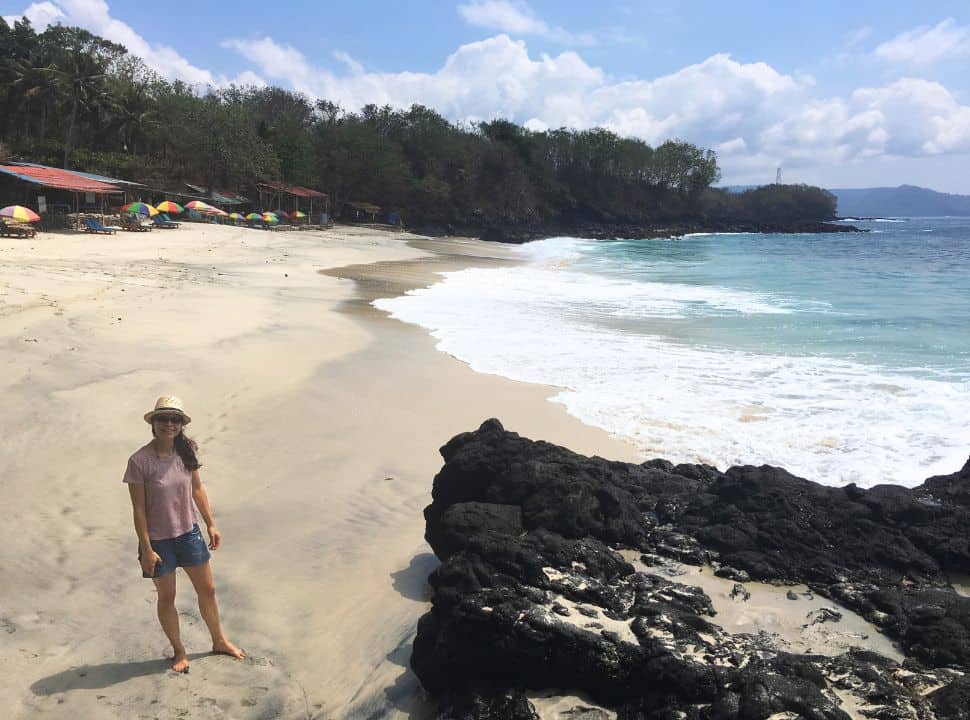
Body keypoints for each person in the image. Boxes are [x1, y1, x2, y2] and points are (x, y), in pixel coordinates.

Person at [124, 396, 245, 673]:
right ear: (153, 423)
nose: (169, 424)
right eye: (163, 419)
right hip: (158, 541)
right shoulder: (139, 461)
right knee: (167, 597)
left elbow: (197, 489)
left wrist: (210, 524)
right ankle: (179, 651)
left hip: (188, 533)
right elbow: (139, 509)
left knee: (208, 590)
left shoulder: (187, 450)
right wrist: (146, 548)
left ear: (181, 424)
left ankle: (219, 640)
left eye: (174, 419)